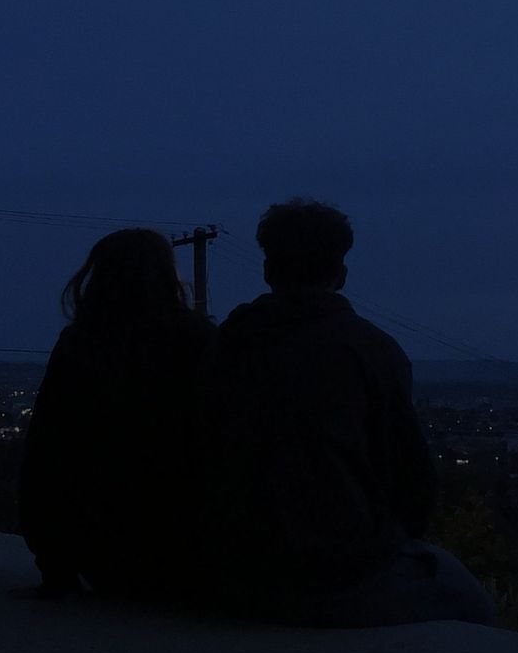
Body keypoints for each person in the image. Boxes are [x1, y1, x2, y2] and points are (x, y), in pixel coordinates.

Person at [196, 198, 496, 629]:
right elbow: (412, 482)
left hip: (231, 568)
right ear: (340, 273)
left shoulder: (225, 346)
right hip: (337, 577)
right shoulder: (371, 350)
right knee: (474, 605)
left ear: (268, 271)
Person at [18, 230, 216, 604]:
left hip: (100, 554)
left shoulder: (81, 344)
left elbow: (45, 457)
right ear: (166, 274)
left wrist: (55, 566)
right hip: (189, 553)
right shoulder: (197, 340)